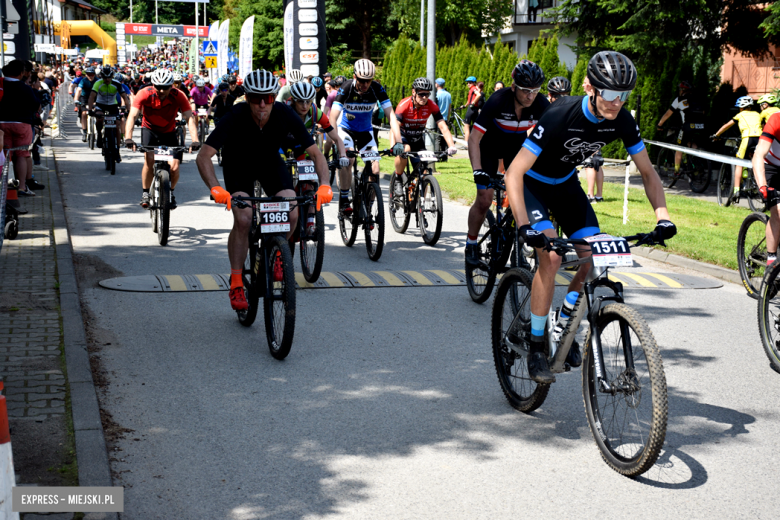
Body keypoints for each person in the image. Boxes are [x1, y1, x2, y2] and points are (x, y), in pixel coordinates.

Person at [504, 51, 675, 382]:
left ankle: (564, 321)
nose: (616, 103)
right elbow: (514, 173)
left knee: (592, 258)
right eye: (610, 94)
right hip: (533, 185)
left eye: (624, 96)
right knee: (551, 258)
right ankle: (537, 344)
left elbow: (649, 173)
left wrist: (663, 216)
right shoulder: (558, 114)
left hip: (566, 186)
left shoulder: (622, 119)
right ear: (590, 88)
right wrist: (525, 227)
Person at [195, 70, 333, 311]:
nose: (261, 104)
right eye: (255, 98)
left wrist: (325, 185)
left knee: (292, 210)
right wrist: (215, 187)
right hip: (238, 164)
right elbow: (204, 155)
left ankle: (277, 253)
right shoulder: (235, 115)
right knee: (245, 218)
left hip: (270, 163)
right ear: (246, 97)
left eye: (267, 98)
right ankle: (237, 280)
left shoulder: (284, 113)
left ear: (274, 98)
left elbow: (316, 154)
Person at [464, 60, 550, 266]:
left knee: (523, 197)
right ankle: (471, 242)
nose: (530, 96)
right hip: (489, 149)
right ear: (513, 87)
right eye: (525, 90)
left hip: (515, 150)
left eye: (535, 90)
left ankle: (517, 248)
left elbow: (552, 137)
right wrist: (477, 170)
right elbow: (474, 138)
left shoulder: (540, 104)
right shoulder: (497, 100)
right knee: (485, 199)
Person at [329, 59, 404, 214]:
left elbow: (391, 117)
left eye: (368, 81)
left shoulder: (376, 88)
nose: (365, 85)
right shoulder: (346, 88)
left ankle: (368, 207)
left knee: (375, 169)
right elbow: (333, 118)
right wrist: (338, 144)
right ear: (354, 77)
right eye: (362, 81)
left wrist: (398, 142)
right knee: (348, 160)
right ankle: (344, 199)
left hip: (365, 132)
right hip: (346, 130)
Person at [124, 69, 201, 210]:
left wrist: (195, 140)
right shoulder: (144, 93)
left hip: (169, 132)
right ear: (153, 85)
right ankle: (146, 193)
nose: (161, 90)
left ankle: (170, 193)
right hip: (149, 130)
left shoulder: (179, 95)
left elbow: (189, 118)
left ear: (171, 86)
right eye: (158, 87)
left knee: (174, 167)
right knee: (150, 161)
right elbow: (132, 115)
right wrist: (128, 138)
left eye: (165, 87)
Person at [285, 81, 349, 234]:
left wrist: (343, 154)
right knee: (282, 176)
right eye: (301, 101)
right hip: (283, 145)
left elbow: (336, 137)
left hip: (302, 146)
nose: (305, 105)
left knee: (310, 180)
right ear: (293, 100)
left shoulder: (315, 112)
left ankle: (310, 220)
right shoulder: (284, 110)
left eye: (309, 101)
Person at [392, 77, 458, 179]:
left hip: (417, 138)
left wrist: (451, 145)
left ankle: (419, 191)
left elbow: (442, 126)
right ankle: (398, 178)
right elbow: (395, 127)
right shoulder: (404, 105)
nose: (424, 97)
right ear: (413, 92)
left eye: (427, 94)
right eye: (421, 94)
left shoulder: (431, 105)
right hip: (402, 136)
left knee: (424, 171)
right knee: (406, 149)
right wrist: (395, 145)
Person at [0, 59, 41, 196]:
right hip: (22, 124)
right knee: (22, 155)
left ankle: (5, 186)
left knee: (5, 154)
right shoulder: (25, 88)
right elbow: (36, 105)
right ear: (21, 73)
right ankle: (22, 187)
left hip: (2, 124)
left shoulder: (1, 84)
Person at [711, 96, 762, 205]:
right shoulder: (758, 114)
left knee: (738, 163)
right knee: (757, 162)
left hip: (747, 139)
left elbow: (726, 126)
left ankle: (736, 191)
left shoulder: (740, 115)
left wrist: (716, 135)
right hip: (760, 139)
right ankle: (757, 185)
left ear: (741, 108)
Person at [657, 81, 706, 177]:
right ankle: (698, 164)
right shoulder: (697, 99)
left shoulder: (679, 100)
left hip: (688, 126)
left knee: (679, 147)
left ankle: (676, 171)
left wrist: (660, 124)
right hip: (701, 126)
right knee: (690, 143)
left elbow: (668, 114)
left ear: (682, 91)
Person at [752, 111, 780, 267]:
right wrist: (763, 185)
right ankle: (771, 260)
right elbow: (758, 155)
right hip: (770, 168)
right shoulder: (776, 119)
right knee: (778, 210)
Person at [88, 66, 130, 161]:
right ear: (102, 77)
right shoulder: (98, 83)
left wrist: (128, 110)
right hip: (100, 105)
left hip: (112, 105)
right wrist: (90, 110)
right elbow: (91, 97)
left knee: (117, 126)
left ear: (112, 77)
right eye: (105, 77)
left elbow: (125, 97)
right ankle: (99, 134)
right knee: (99, 119)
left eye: (109, 77)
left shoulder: (117, 84)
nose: (107, 79)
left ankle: (117, 150)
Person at [73, 67, 98, 141]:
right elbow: (79, 90)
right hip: (85, 97)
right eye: (88, 74)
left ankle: (99, 129)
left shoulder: (98, 81)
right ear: (86, 75)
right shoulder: (83, 81)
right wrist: (76, 99)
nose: (90, 76)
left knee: (98, 112)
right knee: (84, 113)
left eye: (92, 74)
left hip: (95, 98)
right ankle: (84, 132)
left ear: (94, 75)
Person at [435, 78, 452, 151]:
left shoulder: (436, 94)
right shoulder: (448, 94)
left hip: (438, 119)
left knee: (437, 137)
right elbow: (449, 108)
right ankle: (444, 155)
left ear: (437, 84)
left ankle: (438, 154)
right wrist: (448, 118)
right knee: (444, 137)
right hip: (445, 118)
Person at [460, 76, 479, 142]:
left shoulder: (473, 88)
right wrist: (464, 106)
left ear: (474, 83)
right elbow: (469, 100)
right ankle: (475, 141)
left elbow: (478, 95)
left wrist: (473, 103)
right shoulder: (472, 89)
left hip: (471, 110)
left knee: (466, 127)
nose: (468, 84)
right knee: (475, 127)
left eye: (470, 82)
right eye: (467, 83)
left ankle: (466, 144)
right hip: (475, 109)